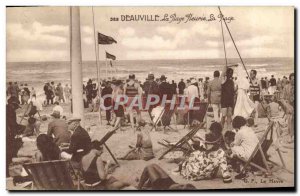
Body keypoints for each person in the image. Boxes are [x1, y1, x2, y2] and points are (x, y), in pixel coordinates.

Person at [220, 65, 235, 130]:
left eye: (231, 73)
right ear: (227, 73)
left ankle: (229, 128)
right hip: (224, 100)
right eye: (229, 73)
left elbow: (233, 92)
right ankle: (221, 127)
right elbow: (222, 74)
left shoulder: (232, 81)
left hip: (230, 100)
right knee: (223, 115)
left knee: (229, 115)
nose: (231, 74)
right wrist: (226, 67)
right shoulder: (223, 80)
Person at [282, 73, 294, 142]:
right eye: (292, 79)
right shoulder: (286, 87)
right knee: (290, 120)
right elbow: (282, 98)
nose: (294, 81)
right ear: (289, 80)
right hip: (289, 105)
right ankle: (290, 135)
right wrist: (287, 106)